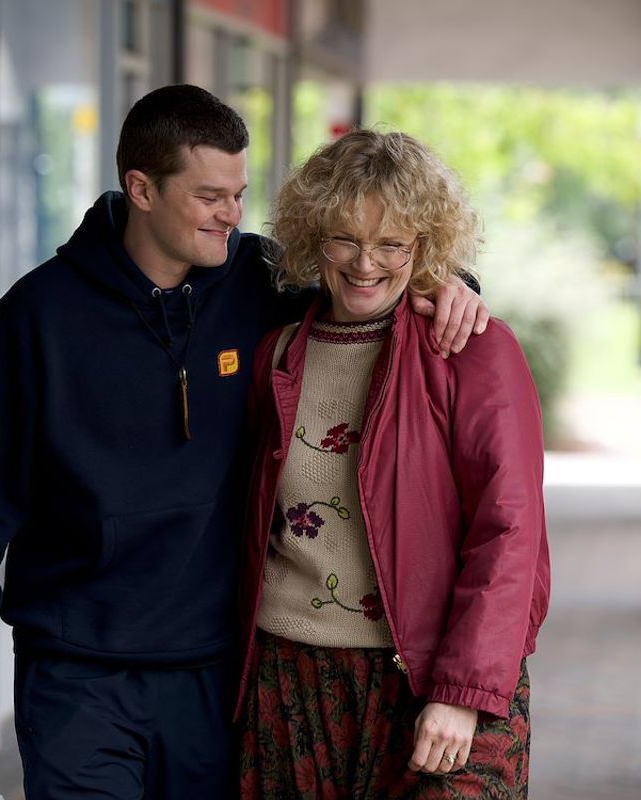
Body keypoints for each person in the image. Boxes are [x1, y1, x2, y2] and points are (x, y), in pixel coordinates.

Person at [0, 86, 489, 798]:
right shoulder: (36, 319)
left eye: (239, 195)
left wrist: (454, 283)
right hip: (76, 673)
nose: (232, 214)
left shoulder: (259, 281)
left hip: (217, 673)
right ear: (142, 189)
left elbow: (370, 278)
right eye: (210, 196)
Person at [235, 128, 551, 799]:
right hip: (292, 683)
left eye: (391, 245)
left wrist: (462, 691)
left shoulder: (472, 349)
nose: (365, 263)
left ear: (424, 246)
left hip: (435, 679)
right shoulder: (276, 354)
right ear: (314, 235)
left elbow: (510, 532)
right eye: (344, 239)